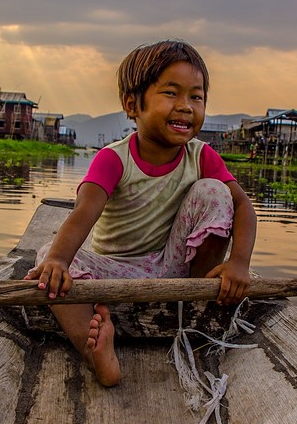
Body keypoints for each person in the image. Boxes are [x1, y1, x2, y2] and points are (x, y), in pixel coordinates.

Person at [24, 40, 257, 387]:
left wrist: (239, 263)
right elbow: (82, 215)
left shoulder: (202, 156)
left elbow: (243, 206)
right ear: (132, 104)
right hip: (114, 274)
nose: (186, 107)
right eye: (171, 94)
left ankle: (199, 305)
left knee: (216, 192)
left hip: (177, 270)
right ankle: (96, 353)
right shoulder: (113, 159)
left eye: (196, 97)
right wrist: (58, 259)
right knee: (49, 259)